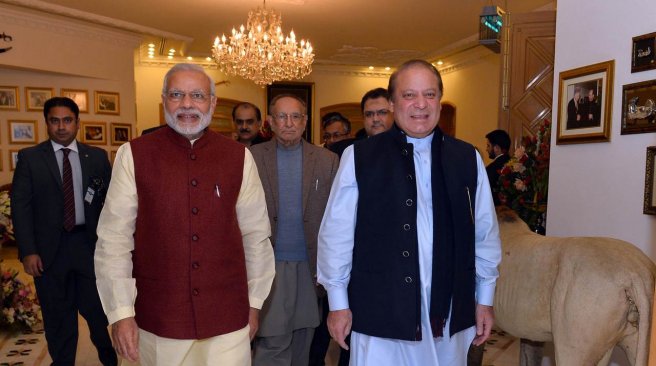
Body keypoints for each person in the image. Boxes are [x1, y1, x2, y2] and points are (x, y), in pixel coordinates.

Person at [317, 59, 502, 365]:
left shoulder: (467, 158)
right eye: (409, 95)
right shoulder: (359, 157)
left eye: (429, 94)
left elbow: (484, 233)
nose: (420, 104)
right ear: (392, 103)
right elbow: (336, 236)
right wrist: (338, 304)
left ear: (440, 102)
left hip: (449, 311)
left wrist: (485, 299)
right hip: (381, 312)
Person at [94, 63, 275, 365]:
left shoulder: (239, 157)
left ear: (212, 103)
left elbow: (256, 236)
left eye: (197, 95)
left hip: (227, 318)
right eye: (177, 94)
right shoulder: (134, 155)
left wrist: (254, 303)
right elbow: (113, 240)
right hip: (158, 319)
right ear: (164, 100)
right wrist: (121, 313)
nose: (187, 104)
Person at [11, 97, 116, 366]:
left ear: (77, 123)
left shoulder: (97, 157)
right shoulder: (30, 158)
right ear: (46, 123)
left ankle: (111, 360)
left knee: (99, 315)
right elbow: (20, 208)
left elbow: (111, 204)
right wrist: (28, 251)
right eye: (55, 121)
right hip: (48, 253)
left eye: (67, 120)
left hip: (88, 248)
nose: (61, 127)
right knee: (59, 320)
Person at [250, 94, 339, 366]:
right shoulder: (250, 158)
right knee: (272, 342)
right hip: (269, 266)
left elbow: (337, 220)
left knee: (304, 340)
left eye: (295, 116)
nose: (289, 123)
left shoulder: (327, 160)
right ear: (271, 122)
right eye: (281, 116)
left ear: (305, 121)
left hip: (310, 266)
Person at [309, 87, 395, 366]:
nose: (376, 120)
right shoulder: (346, 154)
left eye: (382, 112)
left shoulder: (414, 153)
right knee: (349, 340)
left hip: (396, 270)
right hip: (355, 266)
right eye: (369, 114)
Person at [485, 129, 511, 206]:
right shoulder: (513, 163)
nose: (486, 149)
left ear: (496, 148)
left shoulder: (492, 169)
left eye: (488, 145)